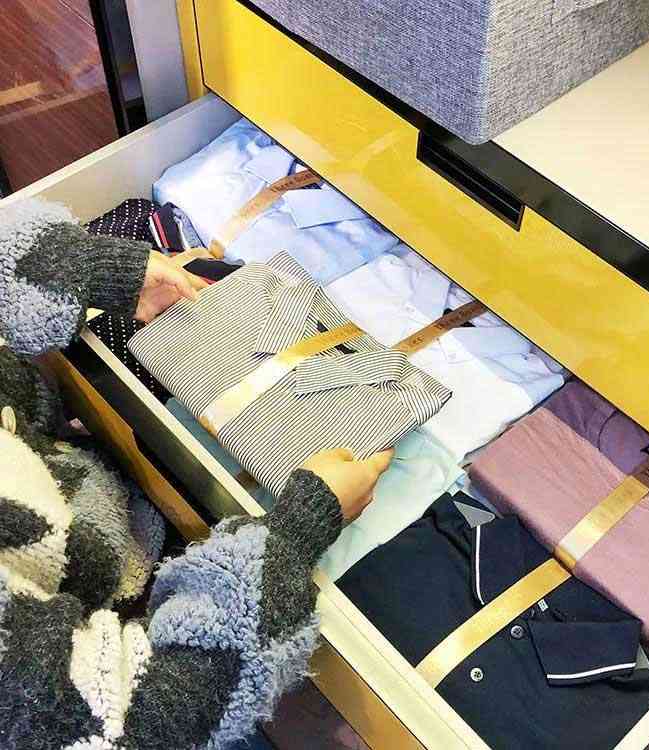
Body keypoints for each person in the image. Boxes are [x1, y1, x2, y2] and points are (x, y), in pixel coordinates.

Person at [0, 197, 393, 750]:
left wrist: (92, 266)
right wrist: (295, 534)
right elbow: (144, 720)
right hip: (103, 584)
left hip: (59, 475)